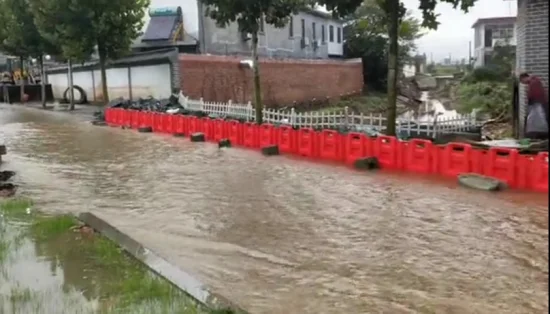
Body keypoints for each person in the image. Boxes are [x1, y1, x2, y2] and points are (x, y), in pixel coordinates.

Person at [519, 72, 549, 139]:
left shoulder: (534, 83)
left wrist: (530, 103)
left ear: (524, 78)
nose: (524, 83)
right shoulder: (533, 82)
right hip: (538, 104)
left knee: (540, 121)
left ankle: (540, 136)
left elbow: (534, 95)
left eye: (522, 81)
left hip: (539, 104)